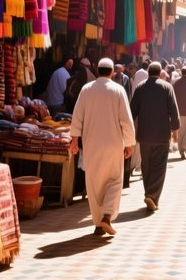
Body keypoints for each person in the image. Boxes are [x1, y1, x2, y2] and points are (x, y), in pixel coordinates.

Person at [70, 57, 135, 236]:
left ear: (98, 70)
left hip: (91, 145)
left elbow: (77, 116)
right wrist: (129, 143)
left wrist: (74, 139)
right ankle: (106, 216)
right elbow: (126, 120)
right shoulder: (118, 90)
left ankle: (98, 223)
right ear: (113, 72)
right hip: (114, 144)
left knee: (94, 183)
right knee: (115, 180)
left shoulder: (86, 89)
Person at [130, 62, 180, 212]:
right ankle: (152, 195)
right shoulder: (167, 87)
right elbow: (173, 110)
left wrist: (128, 130)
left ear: (148, 72)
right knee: (159, 167)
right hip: (162, 134)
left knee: (146, 165)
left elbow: (132, 112)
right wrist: (175, 129)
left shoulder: (140, 88)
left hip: (144, 135)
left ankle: (148, 193)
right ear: (159, 73)